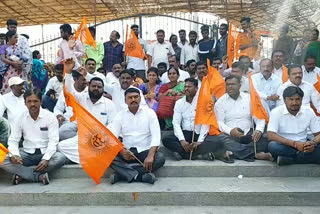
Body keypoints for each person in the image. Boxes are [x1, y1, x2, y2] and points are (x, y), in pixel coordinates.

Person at [0, 88, 66, 185]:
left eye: (35, 101)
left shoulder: (50, 117)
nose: (32, 104)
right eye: (29, 101)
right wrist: (14, 155)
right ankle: (38, 176)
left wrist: (46, 158)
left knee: (60, 158)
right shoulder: (20, 118)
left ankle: (23, 175)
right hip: (26, 154)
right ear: (25, 103)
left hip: (45, 152)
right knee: (2, 159)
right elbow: (13, 140)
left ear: (41, 101)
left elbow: (53, 141)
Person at [59, 61, 116, 163]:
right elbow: (69, 92)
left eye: (99, 87)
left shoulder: (109, 104)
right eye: (93, 86)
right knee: (61, 146)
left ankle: (84, 157)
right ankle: (90, 157)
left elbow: (112, 125)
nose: (96, 89)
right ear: (88, 87)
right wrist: (67, 73)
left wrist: (101, 138)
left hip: (99, 140)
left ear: (103, 90)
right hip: (82, 138)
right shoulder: (81, 98)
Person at [108, 87, 165, 184]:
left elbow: (156, 136)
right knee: (107, 156)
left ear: (140, 98)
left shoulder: (150, 113)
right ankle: (140, 176)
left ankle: (122, 174)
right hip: (127, 152)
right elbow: (112, 137)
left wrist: (150, 156)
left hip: (145, 151)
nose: (133, 100)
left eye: (136, 97)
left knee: (160, 158)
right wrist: (121, 151)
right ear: (125, 101)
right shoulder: (120, 115)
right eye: (130, 98)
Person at [162, 78, 229, 161]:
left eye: (189, 86)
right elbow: (176, 123)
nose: (186, 88)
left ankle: (183, 154)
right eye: (185, 86)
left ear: (196, 89)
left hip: (199, 133)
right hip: (186, 133)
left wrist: (200, 141)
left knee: (217, 141)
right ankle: (197, 155)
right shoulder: (179, 103)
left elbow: (205, 123)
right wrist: (182, 140)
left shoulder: (203, 102)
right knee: (166, 139)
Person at [215, 75, 272, 161]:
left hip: (249, 133)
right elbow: (219, 122)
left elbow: (259, 116)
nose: (230, 87)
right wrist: (231, 131)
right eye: (228, 84)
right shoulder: (220, 102)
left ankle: (235, 152)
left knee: (265, 137)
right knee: (219, 138)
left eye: (233, 84)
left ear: (239, 85)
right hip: (230, 135)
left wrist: (259, 130)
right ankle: (254, 154)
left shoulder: (249, 98)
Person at [268, 86, 320, 165]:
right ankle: (305, 157)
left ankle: (290, 159)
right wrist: (295, 144)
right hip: (285, 145)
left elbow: (318, 134)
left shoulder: (308, 112)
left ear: (302, 100)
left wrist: (312, 143)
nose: (294, 103)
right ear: (285, 100)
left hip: (304, 145)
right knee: (272, 146)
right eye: (291, 99)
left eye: (297, 99)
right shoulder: (276, 112)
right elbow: (271, 135)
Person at [54, 69, 88, 141]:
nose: (86, 82)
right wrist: (59, 115)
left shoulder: (89, 92)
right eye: (83, 80)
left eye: (86, 80)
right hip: (68, 123)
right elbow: (58, 108)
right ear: (75, 79)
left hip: (85, 124)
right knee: (60, 133)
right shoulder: (66, 92)